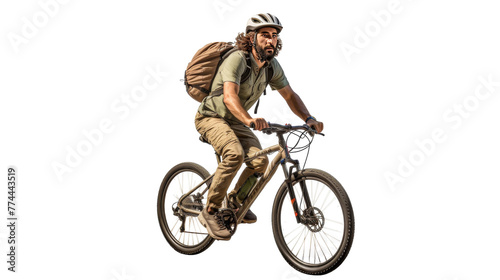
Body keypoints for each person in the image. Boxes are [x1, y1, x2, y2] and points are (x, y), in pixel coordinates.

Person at [195, 13, 324, 240]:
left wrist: (309, 119)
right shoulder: (237, 59)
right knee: (234, 154)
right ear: (252, 37)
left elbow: (290, 96)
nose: (271, 40)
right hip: (212, 117)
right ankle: (211, 211)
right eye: (265, 35)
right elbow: (229, 97)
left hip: (237, 121)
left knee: (260, 161)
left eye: (274, 36)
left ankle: (233, 203)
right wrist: (250, 120)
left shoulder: (271, 66)